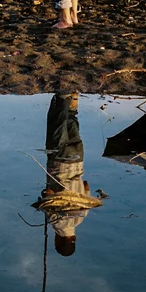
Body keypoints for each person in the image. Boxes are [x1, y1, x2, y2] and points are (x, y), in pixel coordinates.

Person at [32, 93, 101, 256]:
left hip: (78, 159)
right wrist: (44, 196)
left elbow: (86, 186)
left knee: (71, 122)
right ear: (57, 241)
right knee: (57, 125)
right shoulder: (57, 223)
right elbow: (49, 195)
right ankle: (63, 95)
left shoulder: (81, 216)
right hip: (59, 162)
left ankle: (73, 99)